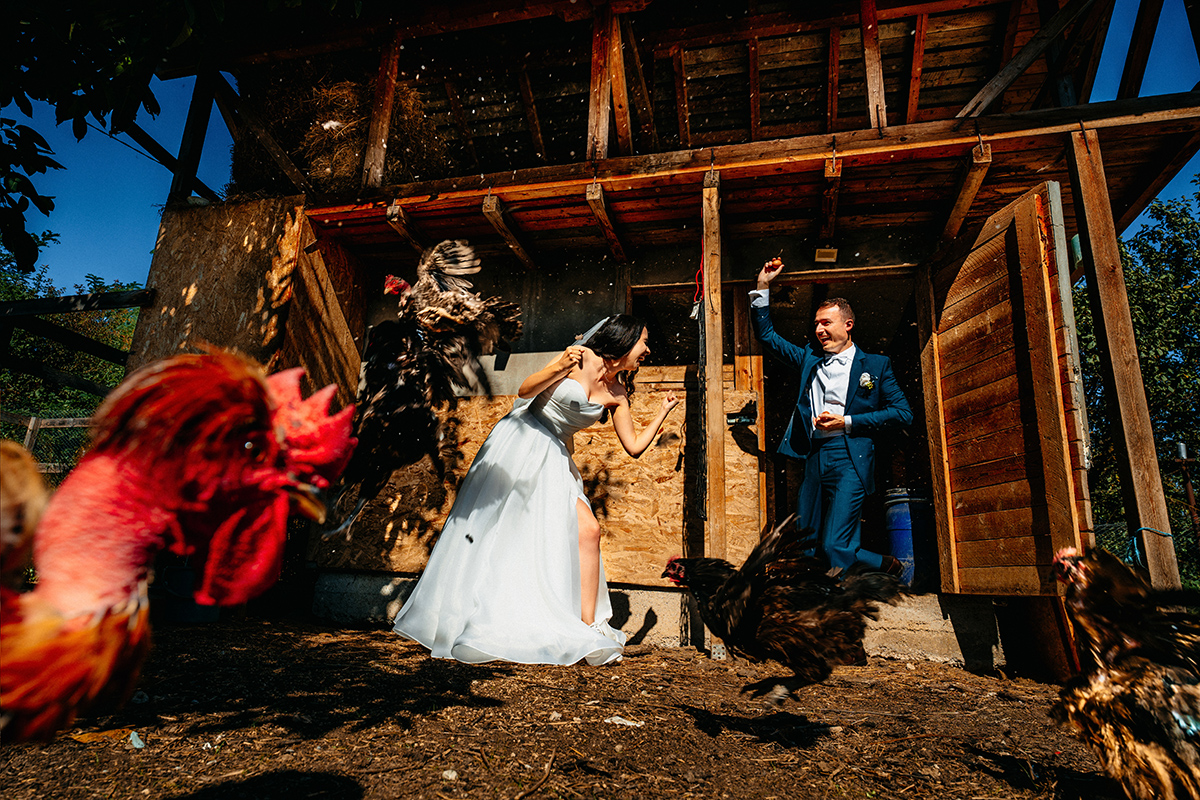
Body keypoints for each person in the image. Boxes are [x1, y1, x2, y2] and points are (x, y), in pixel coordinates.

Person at [392, 315, 679, 666]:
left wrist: (663, 412)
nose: (647, 350)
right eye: (644, 342)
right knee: (502, 527)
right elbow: (525, 391)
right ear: (625, 340)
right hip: (521, 441)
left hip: (555, 454)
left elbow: (633, 447)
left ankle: (588, 625)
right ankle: (474, 612)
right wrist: (559, 365)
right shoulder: (579, 357)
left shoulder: (618, 393)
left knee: (589, 530)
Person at [750, 259, 912, 574]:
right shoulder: (808, 358)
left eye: (826, 323)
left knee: (835, 545)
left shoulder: (876, 366)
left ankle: (883, 566)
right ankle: (821, 593)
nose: (819, 330)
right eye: (816, 324)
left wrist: (846, 422)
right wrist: (762, 286)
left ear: (848, 325)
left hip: (851, 457)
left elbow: (903, 413)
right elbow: (767, 336)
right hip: (814, 455)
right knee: (806, 544)